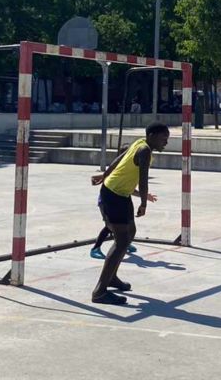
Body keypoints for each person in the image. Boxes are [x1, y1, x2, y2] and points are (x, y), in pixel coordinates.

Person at [88, 121, 169, 305]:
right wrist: (143, 204)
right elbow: (143, 179)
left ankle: (111, 278)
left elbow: (118, 160)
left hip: (121, 194)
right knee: (122, 240)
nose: (166, 142)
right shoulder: (144, 150)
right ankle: (100, 292)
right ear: (152, 136)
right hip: (113, 195)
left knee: (130, 233)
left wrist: (104, 175)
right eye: (164, 138)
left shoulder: (139, 142)